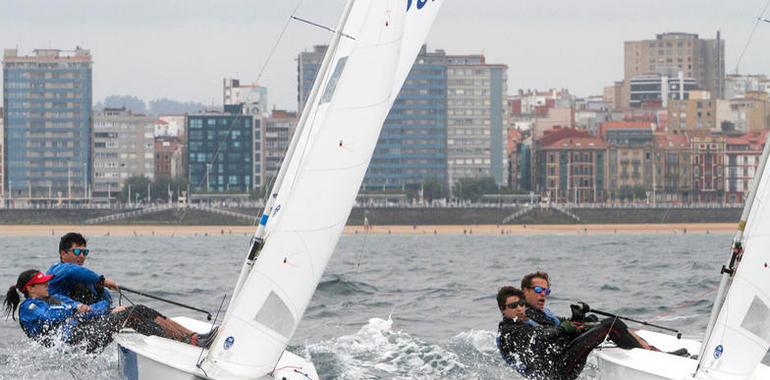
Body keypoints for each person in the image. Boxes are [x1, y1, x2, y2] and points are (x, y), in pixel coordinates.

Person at [4, 269, 215, 352]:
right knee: (128, 316)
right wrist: (76, 309)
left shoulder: (55, 298)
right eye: (42, 283)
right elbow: (49, 317)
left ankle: (192, 338)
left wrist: (108, 309)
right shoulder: (29, 307)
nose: (47, 284)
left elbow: (87, 311)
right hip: (72, 342)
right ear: (30, 288)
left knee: (135, 309)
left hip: (85, 331)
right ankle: (185, 343)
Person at [496, 285, 655, 380]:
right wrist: (564, 328)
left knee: (607, 323)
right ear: (503, 309)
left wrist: (579, 320)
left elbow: (552, 336)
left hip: (559, 362)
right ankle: (651, 359)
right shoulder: (509, 332)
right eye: (513, 306)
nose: (519, 308)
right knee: (610, 325)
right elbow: (542, 336)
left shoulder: (525, 322)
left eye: (521, 304)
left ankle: (649, 351)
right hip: (556, 373)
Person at [47, 232, 117, 305]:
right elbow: (73, 271)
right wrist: (102, 281)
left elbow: (108, 300)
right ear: (63, 253)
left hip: (81, 312)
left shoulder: (86, 278)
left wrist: (100, 289)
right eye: (77, 252)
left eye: (85, 252)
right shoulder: (57, 269)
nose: (81, 256)